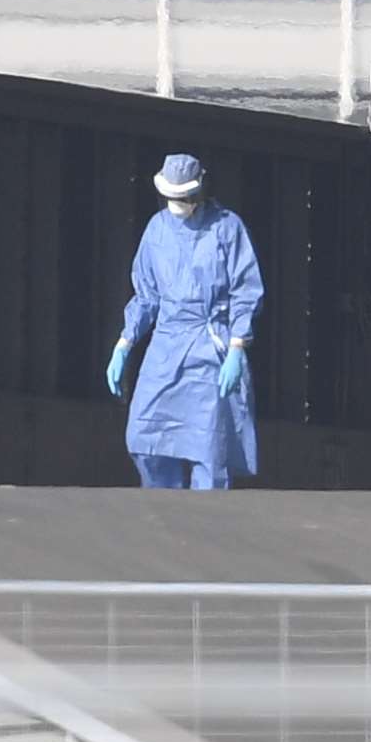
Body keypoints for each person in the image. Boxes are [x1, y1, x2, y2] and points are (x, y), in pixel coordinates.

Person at [105, 154, 264, 490]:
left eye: (182, 197)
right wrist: (125, 342)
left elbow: (245, 290)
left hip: (210, 348)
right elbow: (147, 295)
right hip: (166, 347)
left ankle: (205, 524)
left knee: (209, 447)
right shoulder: (157, 229)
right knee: (144, 436)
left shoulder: (226, 228)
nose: (176, 204)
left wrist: (237, 345)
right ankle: (165, 508)